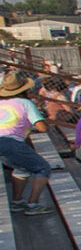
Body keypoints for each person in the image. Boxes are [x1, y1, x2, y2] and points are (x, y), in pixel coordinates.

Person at [0, 72, 54, 214]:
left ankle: (17, 202)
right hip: (11, 142)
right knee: (43, 168)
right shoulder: (26, 103)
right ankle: (33, 205)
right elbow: (42, 128)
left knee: (21, 168)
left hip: (2, 141)